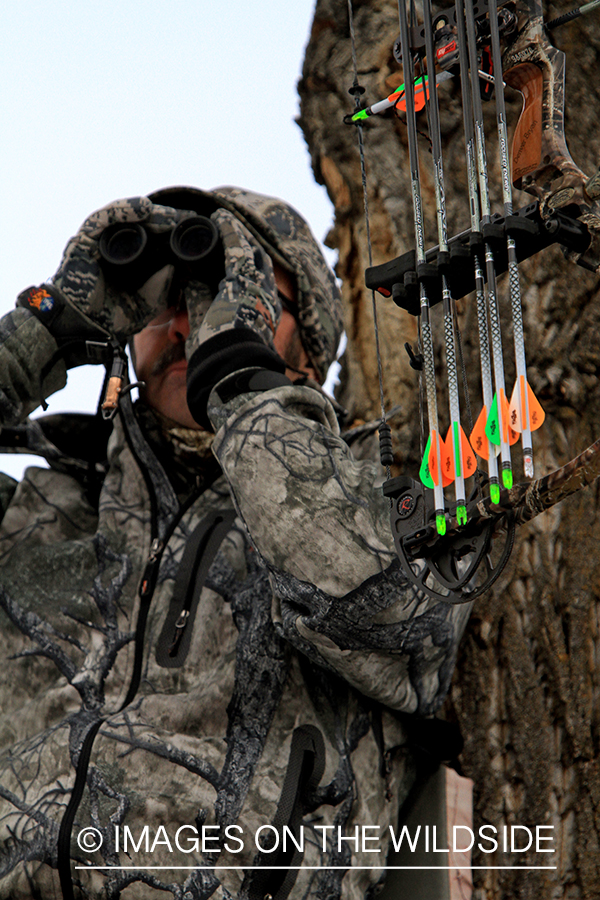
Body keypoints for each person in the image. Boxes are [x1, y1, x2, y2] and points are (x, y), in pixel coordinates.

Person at [0, 186, 471, 900]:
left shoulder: (388, 511)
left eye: (241, 297)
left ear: (308, 354)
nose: (191, 324)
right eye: (167, 302)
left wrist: (241, 376)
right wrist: (44, 331)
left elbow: (389, 612)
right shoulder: (43, 513)